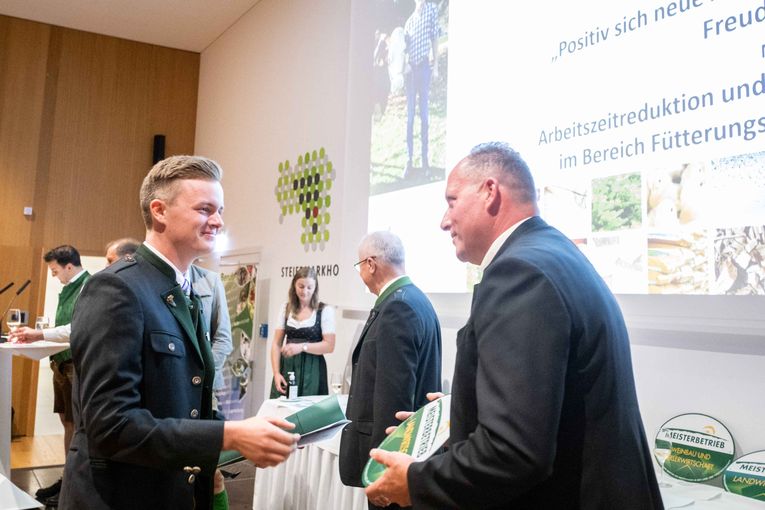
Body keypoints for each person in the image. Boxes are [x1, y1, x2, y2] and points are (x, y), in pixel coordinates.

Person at [365, 142, 663, 509]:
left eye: (452, 201)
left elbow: (513, 451)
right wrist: (458, 417)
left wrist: (415, 481)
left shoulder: (518, 273)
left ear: (490, 192)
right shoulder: (555, 255)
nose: (444, 221)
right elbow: (546, 402)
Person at [59, 156, 298, 510]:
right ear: (159, 211)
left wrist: (248, 435)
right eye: (205, 209)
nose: (217, 221)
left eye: (220, 210)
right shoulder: (115, 289)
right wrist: (230, 435)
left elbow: (185, 407)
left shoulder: (184, 292)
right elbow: (109, 424)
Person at [339, 231, 441, 510]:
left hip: (394, 458)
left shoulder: (398, 307)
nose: (360, 272)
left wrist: (381, 467)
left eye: (359, 265)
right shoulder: (415, 300)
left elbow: (393, 397)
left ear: (370, 264)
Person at [9, 245, 89, 506]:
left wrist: (40, 334)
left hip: (76, 363)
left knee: (78, 425)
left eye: (55, 271)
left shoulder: (89, 286)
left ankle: (76, 482)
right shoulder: (67, 288)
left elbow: (77, 328)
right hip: (61, 362)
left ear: (69, 266)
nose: (55, 276)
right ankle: (67, 476)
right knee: (67, 422)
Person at [269, 267, 335, 398]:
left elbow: (329, 346)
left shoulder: (324, 310)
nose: (305, 291)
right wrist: (276, 373)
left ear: (315, 287)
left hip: (313, 370)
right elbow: (276, 344)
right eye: (301, 286)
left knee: (309, 412)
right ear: (294, 285)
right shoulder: (285, 308)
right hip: (287, 367)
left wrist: (301, 347)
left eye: (310, 287)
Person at [403, 0, 439, 177]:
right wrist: (405, 65)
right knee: (409, 118)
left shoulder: (431, 10)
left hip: (424, 68)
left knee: (424, 116)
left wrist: (436, 65)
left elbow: (435, 38)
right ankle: (409, 161)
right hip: (410, 73)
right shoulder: (409, 21)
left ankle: (425, 161)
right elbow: (404, 49)